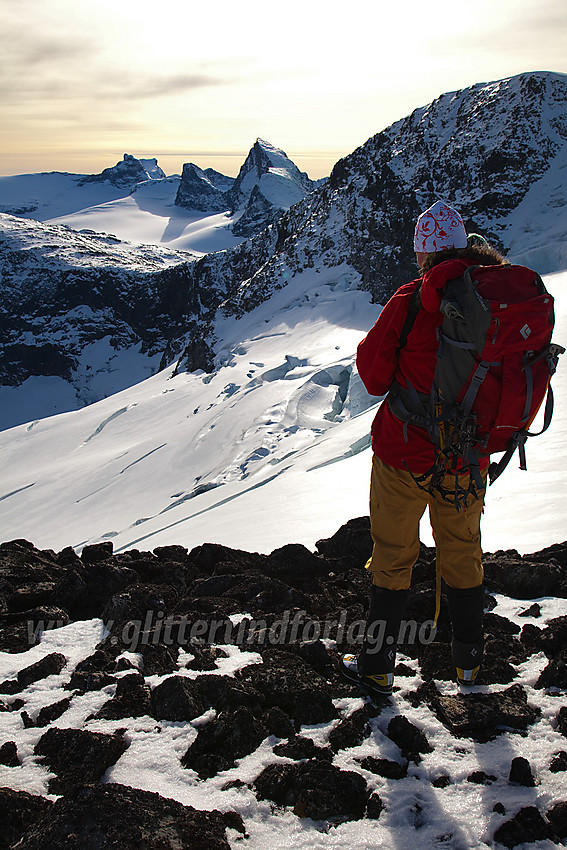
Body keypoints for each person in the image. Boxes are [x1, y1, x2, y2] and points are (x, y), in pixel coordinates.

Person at [340, 200, 508, 696]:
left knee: (393, 554)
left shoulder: (412, 299)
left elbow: (372, 377)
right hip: (467, 457)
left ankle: (376, 665)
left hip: (404, 452)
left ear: (422, 254)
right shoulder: (496, 300)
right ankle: (469, 666)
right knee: (462, 550)